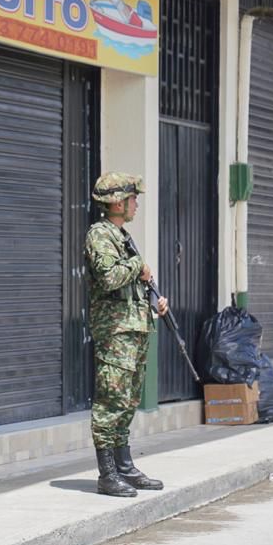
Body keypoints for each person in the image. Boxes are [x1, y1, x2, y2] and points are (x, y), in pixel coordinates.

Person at [85, 172, 168, 498]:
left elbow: (130, 283)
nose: (136, 204)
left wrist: (154, 301)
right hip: (115, 333)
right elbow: (109, 277)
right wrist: (139, 267)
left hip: (133, 328)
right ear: (117, 202)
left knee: (128, 400)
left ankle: (124, 467)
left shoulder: (121, 236)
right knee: (110, 401)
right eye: (133, 199)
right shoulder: (100, 236)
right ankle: (107, 474)